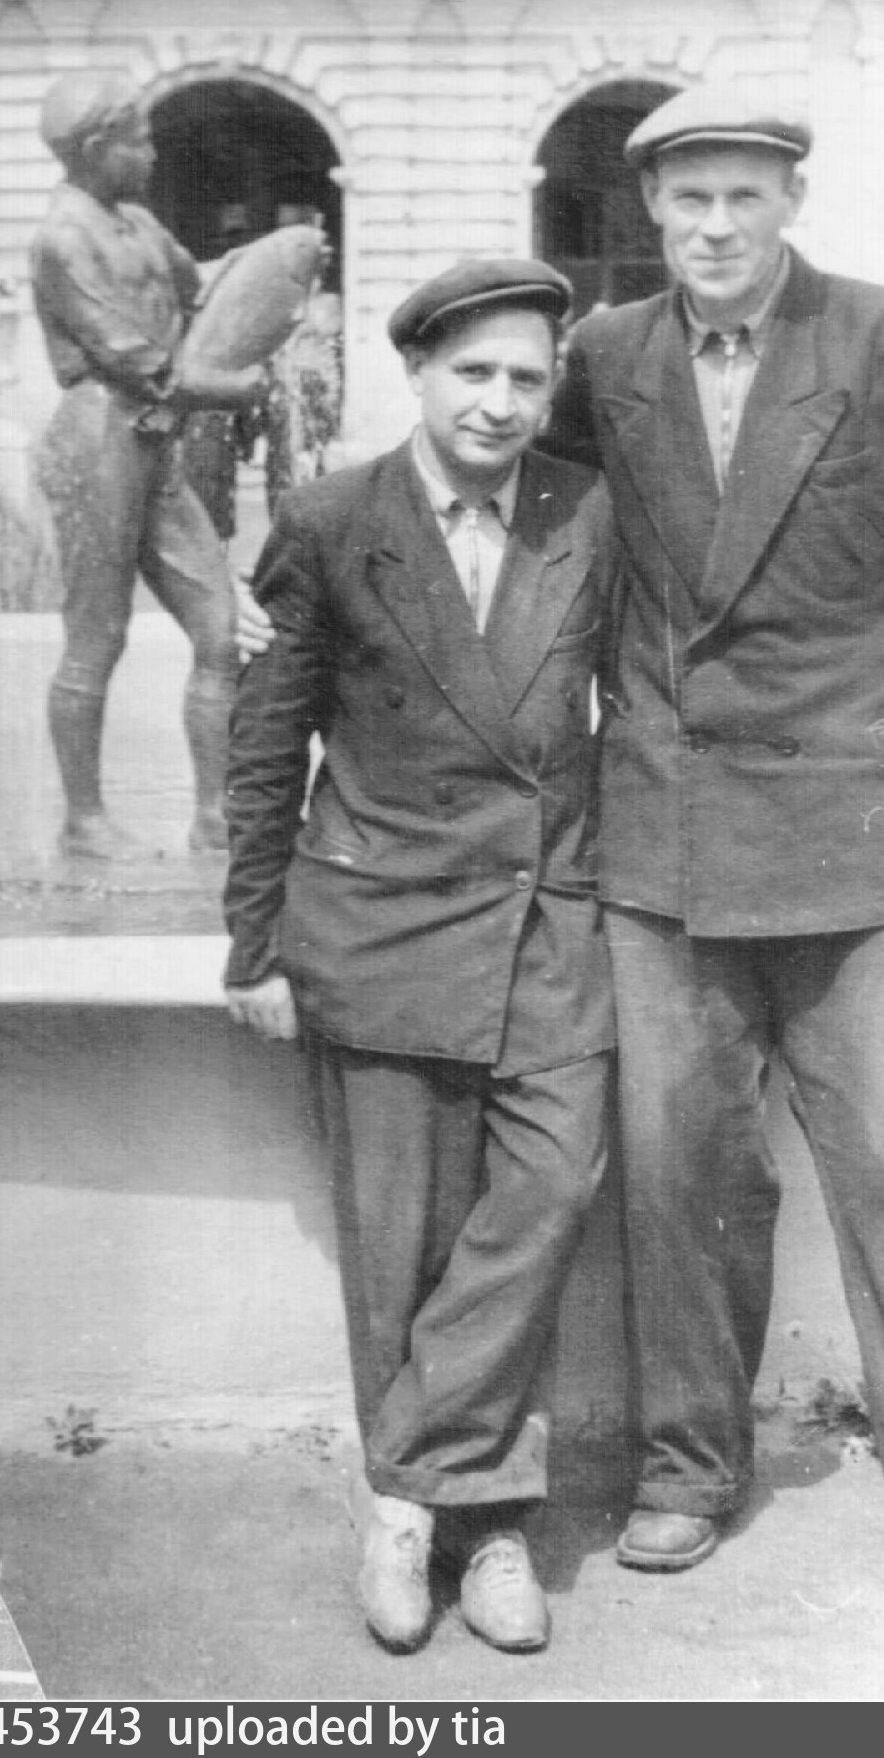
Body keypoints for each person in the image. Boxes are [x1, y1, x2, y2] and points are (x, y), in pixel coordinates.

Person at [543, 88, 884, 1633]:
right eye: (689, 200)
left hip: (857, 822)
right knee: (680, 1175)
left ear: (790, 201)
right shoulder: (605, 357)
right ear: (652, 209)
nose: (715, 227)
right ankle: (688, 1467)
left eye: (743, 197)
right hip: (668, 832)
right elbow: (538, 544)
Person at [224, 259, 615, 1656]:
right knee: (397, 1249)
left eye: (527, 378)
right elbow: (265, 744)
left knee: (554, 1186)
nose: (500, 403)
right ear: (419, 373)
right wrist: (254, 944)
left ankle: (408, 1487)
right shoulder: (332, 521)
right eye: (474, 372)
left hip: (549, 923)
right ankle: (481, 1519)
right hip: (382, 926)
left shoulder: (589, 510)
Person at [30, 72, 263, 860]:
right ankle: (84, 819)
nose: (153, 153)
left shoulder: (137, 221)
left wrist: (271, 265)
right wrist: (233, 386)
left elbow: (201, 286)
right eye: (139, 140)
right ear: (98, 146)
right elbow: (128, 352)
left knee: (221, 631)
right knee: (97, 636)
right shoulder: (63, 237)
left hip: (152, 438)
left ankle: (215, 815)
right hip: (99, 434)